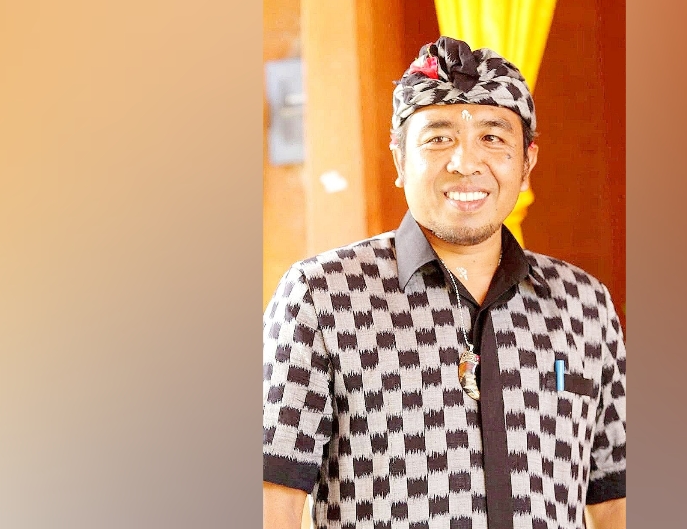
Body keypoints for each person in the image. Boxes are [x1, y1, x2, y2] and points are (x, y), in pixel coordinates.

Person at [263, 36, 626, 529]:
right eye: (438, 138)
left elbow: (615, 500)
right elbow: (272, 496)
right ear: (400, 160)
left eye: (493, 138)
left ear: (527, 164)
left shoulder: (584, 306)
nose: (465, 163)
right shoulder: (323, 296)